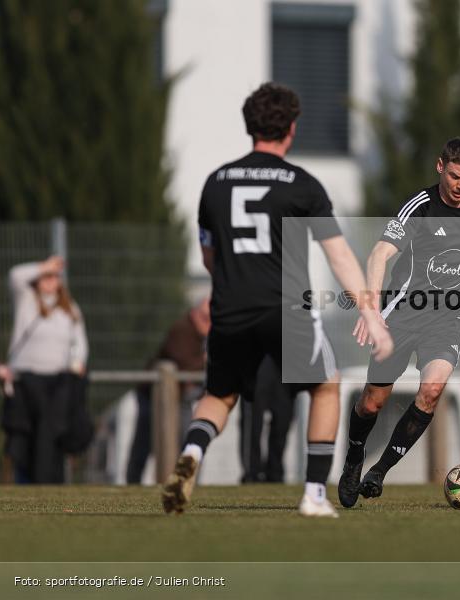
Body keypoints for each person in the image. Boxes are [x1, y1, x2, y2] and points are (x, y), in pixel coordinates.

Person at [161, 82, 392, 518]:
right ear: (290, 128)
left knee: (219, 395)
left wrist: (235, 286)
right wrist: (369, 312)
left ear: (250, 126)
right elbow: (339, 255)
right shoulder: (301, 184)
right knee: (326, 385)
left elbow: (209, 257)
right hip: (286, 308)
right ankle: (313, 495)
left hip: (229, 309)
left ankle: (192, 450)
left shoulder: (215, 183)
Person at [337, 137, 460, 508]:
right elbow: (380, 254)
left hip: (448, 318)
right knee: (373, 403)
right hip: (402, 315)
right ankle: (354, 459)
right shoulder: (420, 208)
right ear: (441, 167)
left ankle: (379, 471)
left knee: (432, 390)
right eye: (455, 177)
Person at [0, 256, 89, 483]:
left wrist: (76, 364)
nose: (51, 281)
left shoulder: (70, 309)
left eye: (54, 277)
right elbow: (15, 275)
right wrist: (45, 266)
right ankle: (24, 483)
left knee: (51, 438)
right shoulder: (27, 300)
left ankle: (51, 483)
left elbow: (79, 343)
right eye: (46, 277)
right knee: (24, 438)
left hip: (56, 384)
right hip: (25, 382)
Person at [126, 298, 210, 484]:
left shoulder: (204, 336)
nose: (209, 323)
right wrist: (205, 362)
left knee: (188, 441)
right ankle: (134, 482)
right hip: (154, 395)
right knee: (146, 441)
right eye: (205, 318)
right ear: (194, 314)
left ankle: (186, 481)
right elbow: (182, 365)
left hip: (183, 398)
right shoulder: (182, 330)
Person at [239, 355, 295, 483]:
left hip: (286, 359)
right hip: (258, 356)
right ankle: (251, 473)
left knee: (283, 420)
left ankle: (275, 473)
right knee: (252, 420)